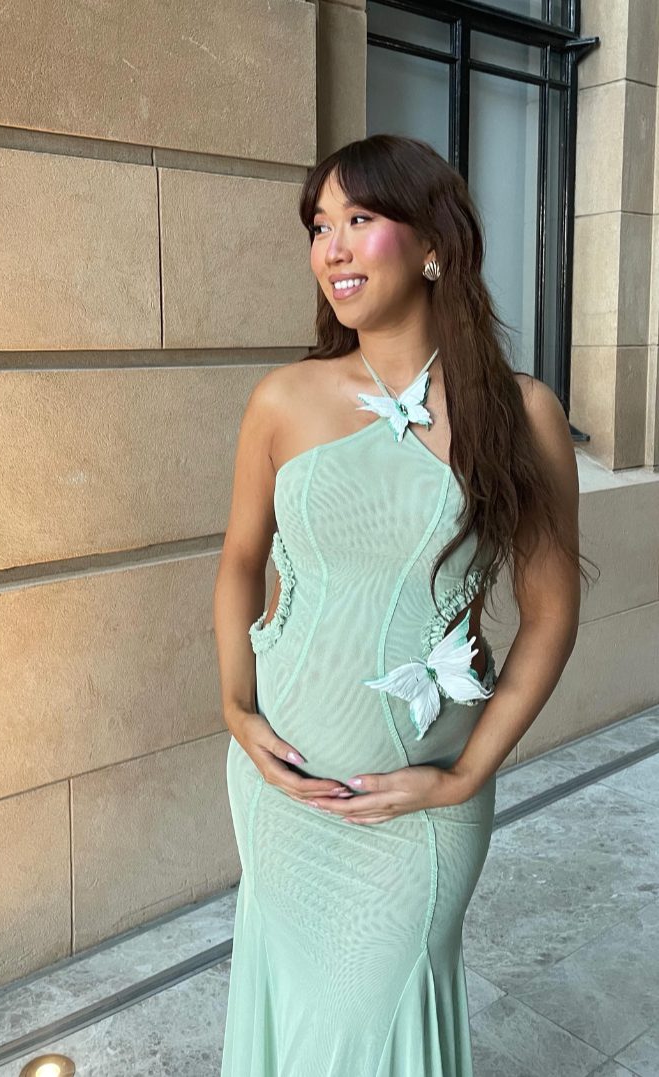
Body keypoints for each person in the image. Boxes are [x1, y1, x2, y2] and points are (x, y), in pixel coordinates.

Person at [213, 134, 588, 1076]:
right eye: (318, 226)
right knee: (297, 1015)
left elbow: (549, 613)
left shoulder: (519, 412)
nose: (332, 247)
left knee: (374, 1022)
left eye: (359, 218)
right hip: (281, 791)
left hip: (420, 800)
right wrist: (236, 706)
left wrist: (464, 777)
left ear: (430, 243)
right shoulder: (283, 398)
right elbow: (240, 560)